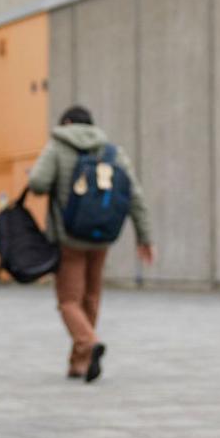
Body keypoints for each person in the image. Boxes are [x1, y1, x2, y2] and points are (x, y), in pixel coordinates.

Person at [26, 105, 154, 381]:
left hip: (69, 238)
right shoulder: (112, 151)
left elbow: (37, 182)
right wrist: (144, 238)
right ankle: (80, 363)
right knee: (91, 295)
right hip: (102, 238)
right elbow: (135, 196)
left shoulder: (57, 146)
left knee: (69, 300)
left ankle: (87, 342)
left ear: (67, 122)